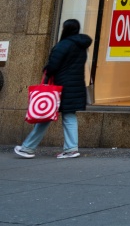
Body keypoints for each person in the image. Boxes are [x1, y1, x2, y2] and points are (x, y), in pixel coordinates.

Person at [14, 19, 92, 160]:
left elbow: (53, 66)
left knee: (45, 114)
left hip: (60, 87)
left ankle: (28, 148)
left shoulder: (63, 45)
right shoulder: (81, 46)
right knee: (69, 116)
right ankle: (71, 149)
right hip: (76, 86)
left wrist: (46, 71)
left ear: (65, 29)